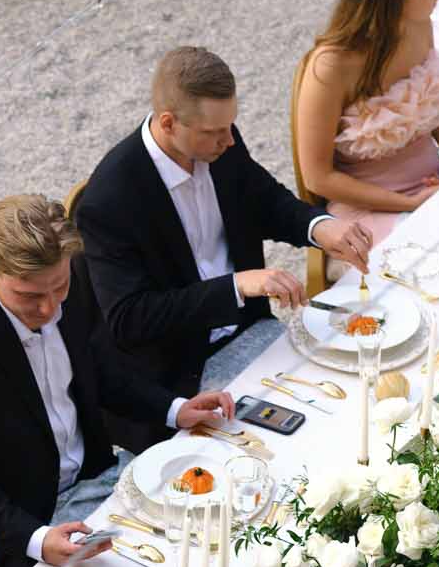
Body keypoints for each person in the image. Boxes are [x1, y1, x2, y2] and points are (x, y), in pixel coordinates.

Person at [0, 194, 234, 567]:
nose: (49, 308)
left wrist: (173, 407)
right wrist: (38, 539)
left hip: (96, 481)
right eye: (30, 296)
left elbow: (97, 367)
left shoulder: (70, 281)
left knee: (204, 544)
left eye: (58, 287)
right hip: (15, 530)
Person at [77, 45, 373, 398]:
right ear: (168, 123)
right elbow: (130, 318)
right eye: (214, 130)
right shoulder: (108, 201)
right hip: (180, 372)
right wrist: (235, 287)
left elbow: (264, 200)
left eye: (231, 124)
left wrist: (318, 226)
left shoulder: (217, 142)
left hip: (251, 328)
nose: (229, 139)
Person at [293, 0, 439, 255]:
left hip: (434, 186)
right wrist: (409, 203)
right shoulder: (329, 67)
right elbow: (318, 177)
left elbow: (438, 109)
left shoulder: (419, 24)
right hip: (367, 209)